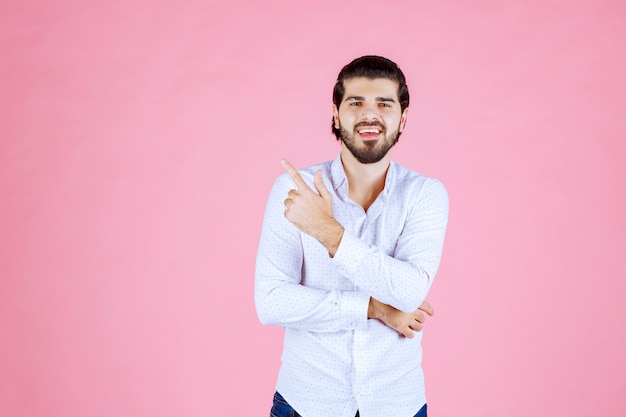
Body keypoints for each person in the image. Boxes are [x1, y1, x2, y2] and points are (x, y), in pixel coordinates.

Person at [255, 55, 449, 417]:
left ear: (403, 117)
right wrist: (374, 308)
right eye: (356, 102)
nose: (369, 114)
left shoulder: (425, 194)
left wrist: (328, 232)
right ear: (335, 113)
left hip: (397, 404)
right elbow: (271, 302)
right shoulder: (294, 189)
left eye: (384, 104)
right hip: (305, 402)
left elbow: (409, 291)